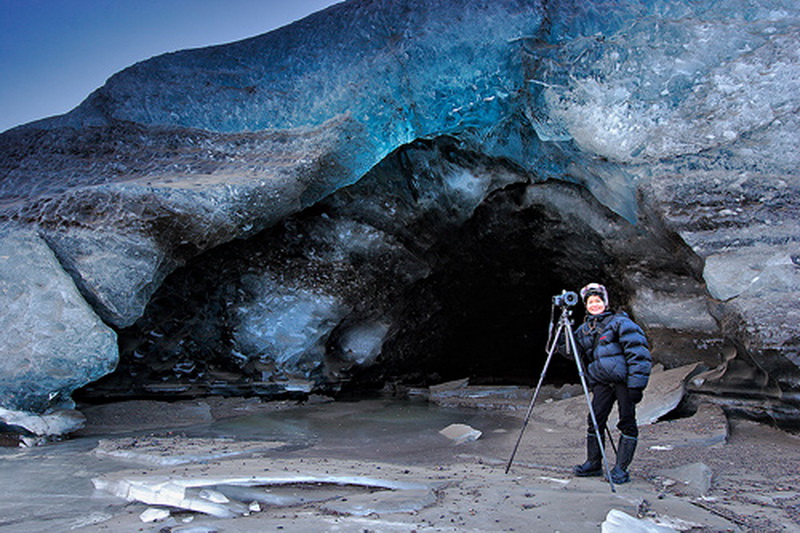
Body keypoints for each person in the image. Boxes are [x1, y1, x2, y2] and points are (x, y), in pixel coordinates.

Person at [569, 282, 652, 484]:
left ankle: (621, 469)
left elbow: (638, 353)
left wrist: (636, 385)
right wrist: (561, 331)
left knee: (627, 423)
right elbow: (573, 352)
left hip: (623, 382)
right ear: (585, 305)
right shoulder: (584, 329)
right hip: (602, 383)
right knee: (595, 421)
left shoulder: (620, 323)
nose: (594, 305)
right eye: (590, 302)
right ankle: (593, 463)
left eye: (598, 301)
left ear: (605, 303)